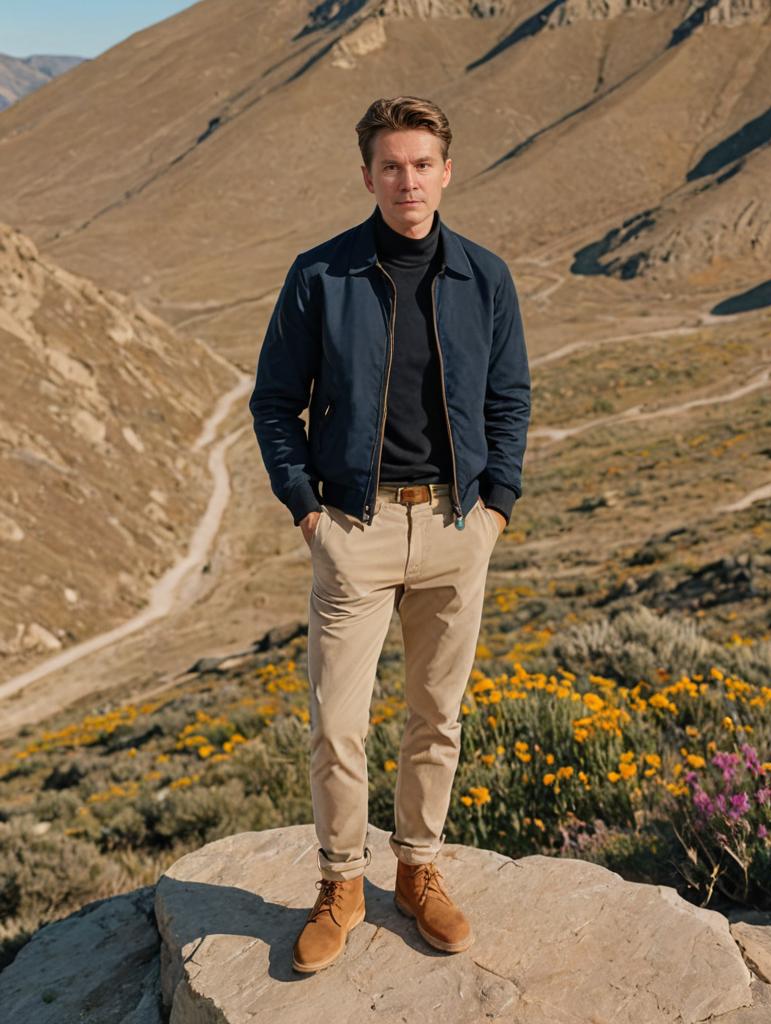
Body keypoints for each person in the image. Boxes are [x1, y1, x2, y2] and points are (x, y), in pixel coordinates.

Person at [248, 95, 531, 973]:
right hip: (354, 529)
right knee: (338, 721)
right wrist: (307, 512)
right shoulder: (321, 275)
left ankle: (417, 872)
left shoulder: (485, 278)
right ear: (367, 174)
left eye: (422, 164)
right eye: (390, 166)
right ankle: (340, 884)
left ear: (446, 171)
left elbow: (509, 400)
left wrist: (494, 511)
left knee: (435, 715)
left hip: (456, 524)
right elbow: (274, 403)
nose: (407, 181)